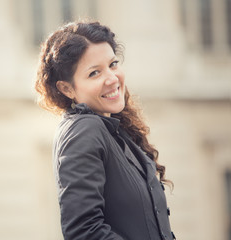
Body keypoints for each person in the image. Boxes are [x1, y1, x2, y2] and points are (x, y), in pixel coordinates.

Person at [34, 20, 176, 240]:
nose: (112, 78)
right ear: (67, 88)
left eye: (113, 64)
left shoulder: (113, 130)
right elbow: (84, 231)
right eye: (94, 73)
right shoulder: (84, 130)